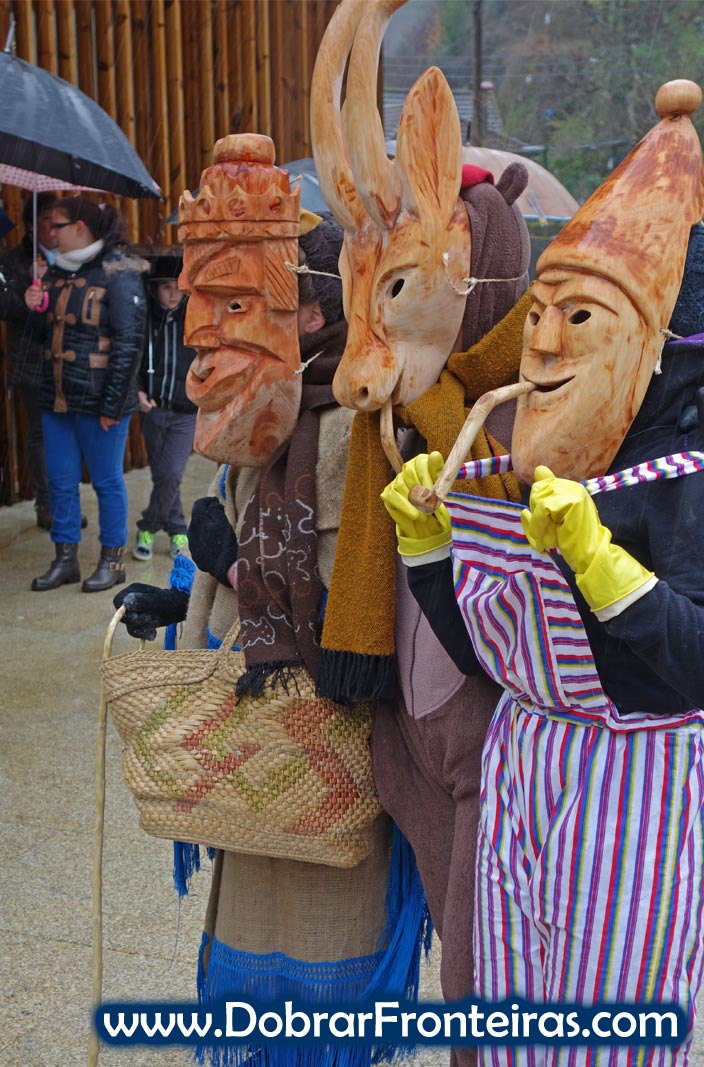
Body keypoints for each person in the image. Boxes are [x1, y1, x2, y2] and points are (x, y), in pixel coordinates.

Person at [383, 83, 704, 1066]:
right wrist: (429, 550)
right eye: (539, 313)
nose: (543, 342)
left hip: (632, 791)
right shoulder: (525, 472)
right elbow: (486, 650)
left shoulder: (690, 487)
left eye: (577, 315)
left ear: (661, 346)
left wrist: (602, 565)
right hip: (524, 760)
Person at [114, 134, 429, 1067]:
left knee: (328, 981)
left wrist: (241, 564)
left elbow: (376, 613)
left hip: (334, 749)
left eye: (241, 303)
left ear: (319, 305)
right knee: (254, 963)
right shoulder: (264, 417)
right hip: (257, 760)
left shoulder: (364, 430)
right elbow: (240, 552)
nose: (212, 334)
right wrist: (186, 601)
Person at [24, 196, 146, 593]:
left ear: (81, 228)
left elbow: (130, 343)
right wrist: (36, 307)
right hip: (57, 398)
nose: (50, 233)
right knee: (60, 482)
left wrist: (112, 404)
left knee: (107, 482)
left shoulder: (120, 272)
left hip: (101, 404)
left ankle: (113, 562)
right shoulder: (55, 273)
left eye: (57, 225)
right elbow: (49, 335)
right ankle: (66, 560)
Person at [132, 252, 197, 561]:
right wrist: (137, 393)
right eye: (166, 287)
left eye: (178, 287)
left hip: (186, 412)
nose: (173, 294)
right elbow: (130, 360)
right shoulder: (144, 319)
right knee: (164, 476)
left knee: (171, 472)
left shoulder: (195, 318)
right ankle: (177, 529)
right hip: (154, 409)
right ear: (154, 289)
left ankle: (147, 525)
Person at [0, 192, 58, 528]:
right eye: (46, 219)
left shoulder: (67, 257)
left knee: (67, 435)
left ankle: (64, 503)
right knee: (40, 434)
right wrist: (24, 294)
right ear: (31, 224)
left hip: (68, 361)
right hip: (31, 362)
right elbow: (3, 305)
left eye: (57, 220)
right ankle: (46, 505)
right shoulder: (11, 261)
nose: (53, 227)